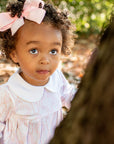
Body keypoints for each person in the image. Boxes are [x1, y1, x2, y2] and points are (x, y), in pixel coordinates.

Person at [0, 0, 75, 144]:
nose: (45, 60)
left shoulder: (57, 78)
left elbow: (70, 95)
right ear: (13, 53)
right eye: (34, 50)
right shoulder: (7, 94)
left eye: (53, 51)